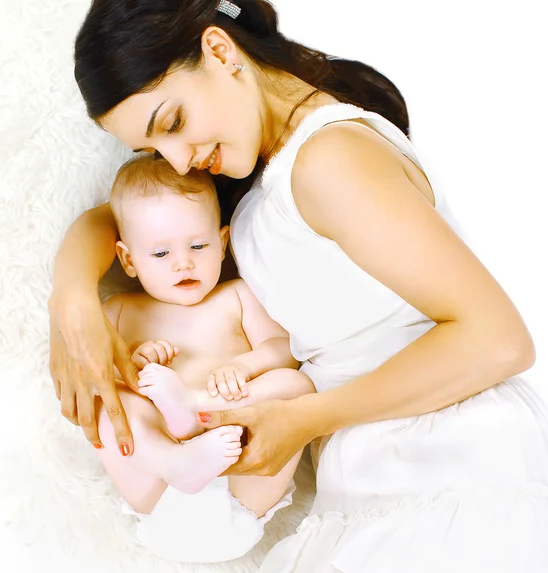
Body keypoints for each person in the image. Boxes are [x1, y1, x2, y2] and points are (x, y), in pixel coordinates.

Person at [49, 0, 548, 570]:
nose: (179, 164)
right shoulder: (268, 166)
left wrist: (303, 419)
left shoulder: (327, 159)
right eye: (152, 150)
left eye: (174, 124)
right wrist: (72, 300)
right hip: (376, 463)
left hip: (449, 456)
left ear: (219, 50)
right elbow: (119, 216)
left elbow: (499, 340)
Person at [94, 154, 314, 561]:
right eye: (160, 254)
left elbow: (286, 350)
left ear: (223, 241)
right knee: (107, 404)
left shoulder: (236, 297)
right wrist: (132, 361)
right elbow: (93, 373)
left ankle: (191, 406)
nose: (183, 262)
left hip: (241, 474)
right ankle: (175, 455)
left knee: (296, 386)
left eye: (198, 245)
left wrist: (243, 367)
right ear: (128, 260)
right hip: (159, 485)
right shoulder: (119, 311)